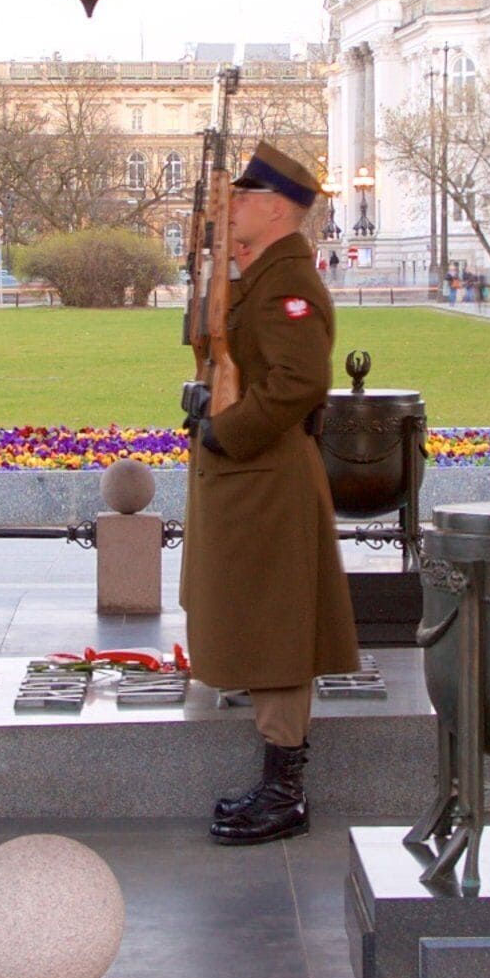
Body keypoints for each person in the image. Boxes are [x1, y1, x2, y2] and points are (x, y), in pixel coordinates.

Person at [181, 141, 357, 846]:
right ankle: (275, 783)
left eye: (244, 197)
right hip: (248, 483)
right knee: (256, 622)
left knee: (279, 632)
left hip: (268, 481)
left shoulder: (290, 285)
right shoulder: (255, 276)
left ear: (279, 209)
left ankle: (285, 792)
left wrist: (229, 432)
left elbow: (298, 385)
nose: (232, 207)